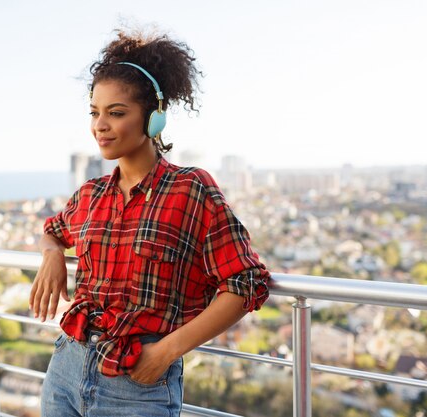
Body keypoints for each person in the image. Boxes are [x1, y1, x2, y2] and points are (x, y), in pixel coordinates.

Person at [30, 26, 272, 417]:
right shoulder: (90, 194)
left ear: (154, 118)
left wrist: (167, 351)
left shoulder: (189, 189)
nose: (100, 126)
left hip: (138, 383)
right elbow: (52, 231)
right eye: (94, 112)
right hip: (66, 370)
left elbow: (246, 283)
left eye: (117, 113)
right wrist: (52, 254)